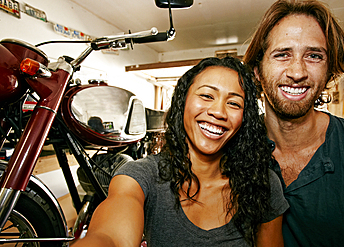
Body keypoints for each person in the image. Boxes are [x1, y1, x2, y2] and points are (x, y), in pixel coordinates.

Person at [73, 57, 289, 247]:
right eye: (206, 96)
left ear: (244, 119)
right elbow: (110, 237)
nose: (218, 111)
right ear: (182, 101)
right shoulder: (141, 177)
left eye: (233, 103)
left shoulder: (263, 183)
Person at [243, 0, 344, 246]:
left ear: (329, 69)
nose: (297, 72)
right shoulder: (229, 149)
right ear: (257, 69)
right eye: (282, 54)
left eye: (313, 56)